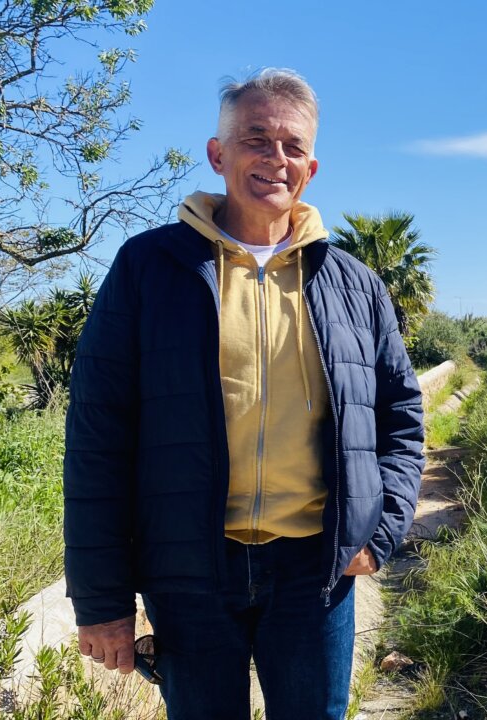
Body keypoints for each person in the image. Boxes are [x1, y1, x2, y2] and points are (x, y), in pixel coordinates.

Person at [62, 67, 424, 719]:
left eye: (292, 146)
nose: (275, 158)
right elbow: (97, 437)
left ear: (310, 168)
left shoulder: (354, 285)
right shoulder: (149, 268)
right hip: (188, 574)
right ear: (218, 154)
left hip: (315, 572)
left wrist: (383, 528)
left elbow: (400, 416)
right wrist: (102, 602)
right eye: (256, 138)